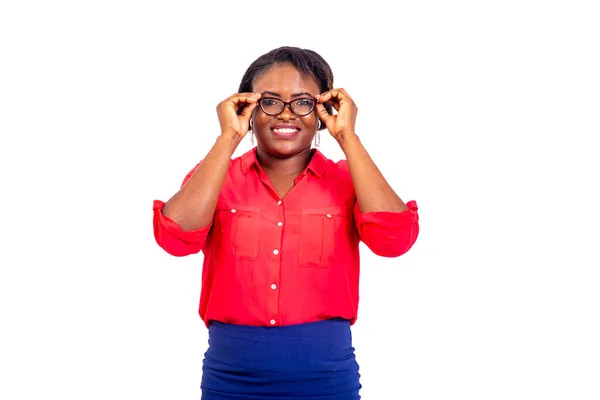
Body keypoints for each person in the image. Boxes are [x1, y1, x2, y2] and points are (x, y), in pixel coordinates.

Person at [152, 46, 420, 400]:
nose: (286, 114)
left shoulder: (350, 181)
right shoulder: (217, 178)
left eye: (303, 102)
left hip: (327, 378)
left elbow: (394, 241)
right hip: (230, 380)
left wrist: (348, 137)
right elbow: (175, 239)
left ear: (323, 111)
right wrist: (228, 136)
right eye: (271, 102)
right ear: (247, 107)